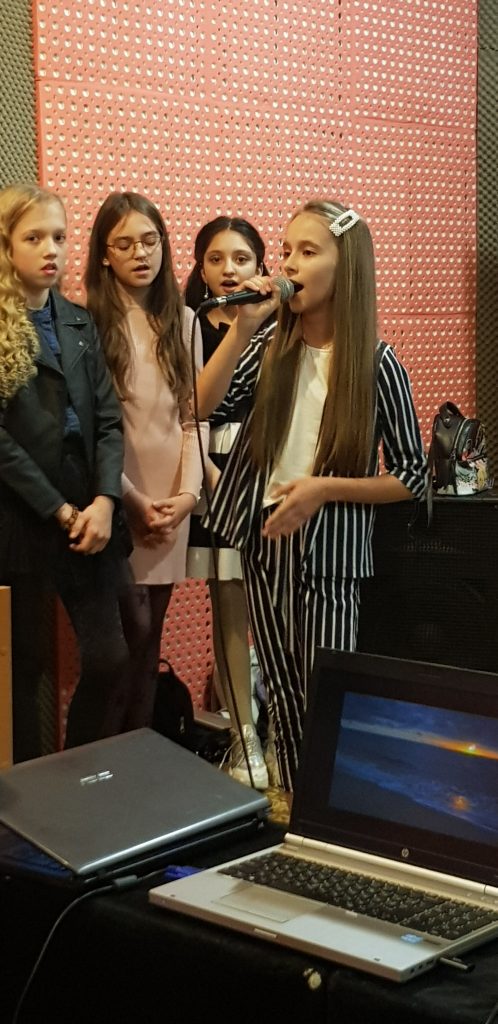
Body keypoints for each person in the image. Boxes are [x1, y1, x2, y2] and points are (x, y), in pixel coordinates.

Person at [195, 199, 427, 791]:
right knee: (279, 689)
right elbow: (200, 405)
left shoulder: (376, 363)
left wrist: (323, 489)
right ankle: (296, 806)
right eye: (286, 250)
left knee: (321, 691)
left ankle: (322, 812)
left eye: (307, 251)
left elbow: (411, 476)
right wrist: (242, 329)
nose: (290, 264)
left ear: (345, 266)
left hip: (331, 553)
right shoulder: (272, 344)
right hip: (264, 537)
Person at [0, 183, 132, 762]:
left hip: (88, 510)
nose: (51, 249)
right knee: (22, 668)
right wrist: (56, 507)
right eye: (34, 238)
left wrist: (105, 500)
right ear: (6, 246)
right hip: (21, 512)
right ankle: (25, 795)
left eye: (58, 236)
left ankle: (77, 775)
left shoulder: (78, 321)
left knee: (109, 658)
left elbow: (109, 421)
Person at [86, 192, 208, 731]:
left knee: (149, 639)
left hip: (171, 505)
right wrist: (131, 500)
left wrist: (186, 497)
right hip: (118, 499)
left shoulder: (184, 320)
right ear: (104, 253)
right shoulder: (87, 322)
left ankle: (138, 755)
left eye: (150, 240)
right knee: (124, 643)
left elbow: (193, 419)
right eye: (125, 244)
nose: (141, 253)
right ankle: (105, 761)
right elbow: (92, 434)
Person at [185, 217, 276, 789]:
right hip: (213, 470)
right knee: (230, 603)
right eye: (215, 259)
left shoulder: (281, 319)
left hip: (272, 469)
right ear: (200, 267)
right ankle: (244, 739)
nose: (228, 270)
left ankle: (282, 726)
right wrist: (210, 475)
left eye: (241, 258)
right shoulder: (190, 323)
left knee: (280, 606)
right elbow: (186, 409)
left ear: (261, 265)